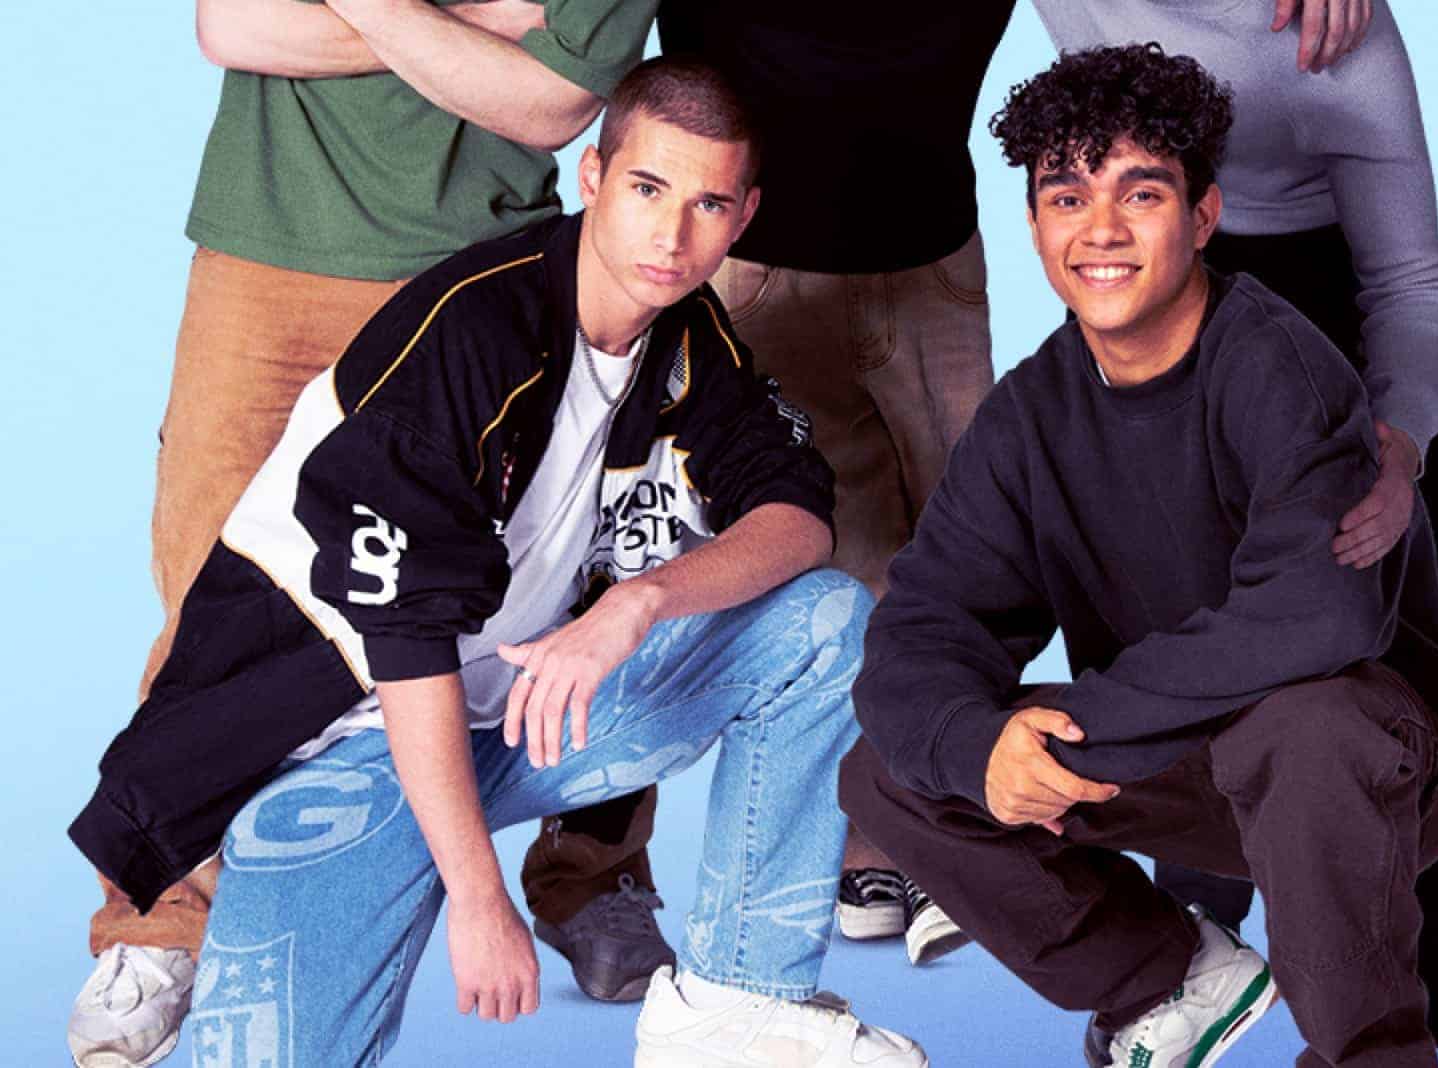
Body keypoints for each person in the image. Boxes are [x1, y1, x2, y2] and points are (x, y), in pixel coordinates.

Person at [69, 58, 929, 1068]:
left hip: (519, 712)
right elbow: (404, 642)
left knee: (821, 621)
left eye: (706, 204)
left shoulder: (688, 337)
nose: (671, 235)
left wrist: (639, 603)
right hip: (344, 742)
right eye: (649, 189)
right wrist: (478, 896)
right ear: (593, 178)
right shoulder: (473, 326)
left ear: (744, 216)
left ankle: (736, 1001)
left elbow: (797, 516)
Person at [840, 44, 1438, 1067]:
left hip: (1380, 768)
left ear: (1203, 216)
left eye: (1140, 194)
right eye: (1067, 198)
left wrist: (1084, 727)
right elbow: (922, 632)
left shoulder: (1280, 366)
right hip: (1190, 759)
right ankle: (1167, 977)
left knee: (1307, 722)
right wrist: (983, 750)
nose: (1100, 230)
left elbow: (1318, 617)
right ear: (1034, 225)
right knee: (892, 767)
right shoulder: (1030, 416)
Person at [69, 1, 662, 1064]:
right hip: (267, 253)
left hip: (479, 260)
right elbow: (231, 27)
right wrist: (485, 21)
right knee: (208, 592)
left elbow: (552, 103)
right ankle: (161, 924)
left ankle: (593, 877)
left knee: (571, 570)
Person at [1031, 1, 1438, 1055]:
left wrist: (1400, 445)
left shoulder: (1337, 38)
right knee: (1146, 575)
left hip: (1319, 285)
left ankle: (1427, 917)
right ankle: (1192, 909)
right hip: (1141, 262)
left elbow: (1410, 279)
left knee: (1398, 581)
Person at [522, 0, 1016, 975]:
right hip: (744, 253)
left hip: (932, 253)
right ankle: (594, 871)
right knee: (660, 537)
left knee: (969, 556)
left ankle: (903, 834)